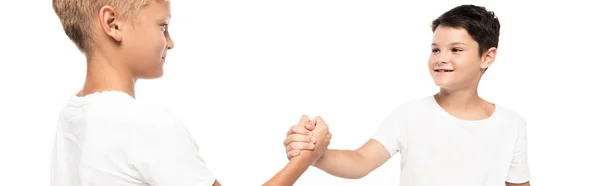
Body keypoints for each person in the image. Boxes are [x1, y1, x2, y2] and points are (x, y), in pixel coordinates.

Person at [49, 0, 331, 185]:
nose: (170, 43)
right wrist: (306, 156)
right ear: (113, 23)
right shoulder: (145, 125)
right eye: (163, 26)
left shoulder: (72, 115)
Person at [284, 4, 531, 186]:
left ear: (487, 57)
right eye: (435, 49)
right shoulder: (410, 115)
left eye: (456, 49)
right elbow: (361, 161)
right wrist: (316, 155)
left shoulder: (511, 124)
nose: (441, 58)